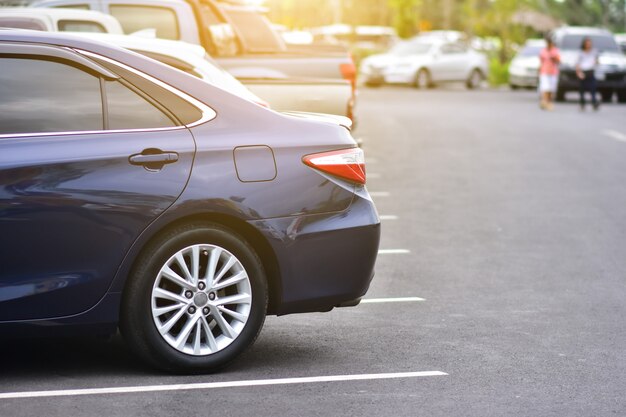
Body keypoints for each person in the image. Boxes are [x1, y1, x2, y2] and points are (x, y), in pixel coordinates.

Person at [576, 37, 600, 111]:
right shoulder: (581, 53)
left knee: (593, 88)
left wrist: (596, 62)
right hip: (583, 72)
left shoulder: (594, 52)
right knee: (582, 89)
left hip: (591, 71)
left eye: (589, 44)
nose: (588, 45)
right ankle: (582, 103)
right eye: (587, 44)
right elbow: (577, 64)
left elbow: (597, 61)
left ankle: (594, 102)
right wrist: (579, 73)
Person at [538, 36, 561, 111]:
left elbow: (558, 61)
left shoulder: (555, 50)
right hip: (544, 71)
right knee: (545, 87)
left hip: (553, 72)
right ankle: (544, 101)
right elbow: (541, 60)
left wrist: (553, 57)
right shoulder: (543, 50)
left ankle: (549, 102)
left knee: (551, 89)